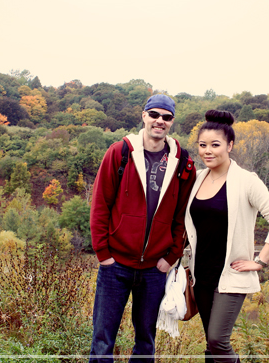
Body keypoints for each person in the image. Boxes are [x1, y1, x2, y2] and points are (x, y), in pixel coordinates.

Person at [89, 94, 196, 363]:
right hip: (115, 264)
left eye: (166, 117)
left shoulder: (183, 162)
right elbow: (100, 204)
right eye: (154, 115)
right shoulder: (120, 152)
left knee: (146, 342)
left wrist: (171, 257)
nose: (160, 121)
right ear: (144, 116)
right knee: (102, 340)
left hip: (154, 269)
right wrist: (103, 253)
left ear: (172, 122)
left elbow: (182, 216)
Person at [184, 110, 269, 363]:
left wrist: (260, 261)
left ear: (230, 146)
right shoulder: (197, 179)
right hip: (200, 274)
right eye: (202, 145)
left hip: (230, 274)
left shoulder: (246, 181)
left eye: (215, 145)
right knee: (210, 345)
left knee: (218, 340)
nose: (207, 151)